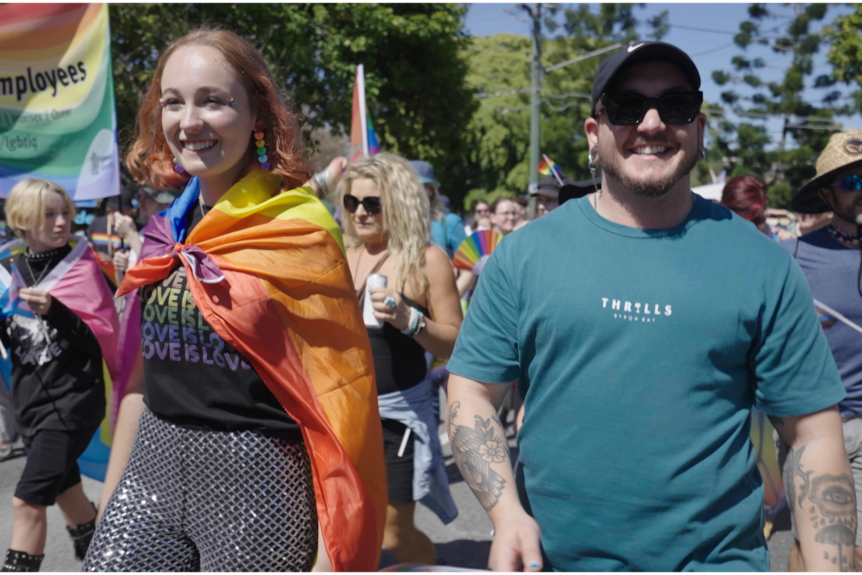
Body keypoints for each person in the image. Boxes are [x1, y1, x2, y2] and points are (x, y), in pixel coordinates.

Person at [445, 41, 851, 573]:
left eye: (676, 105)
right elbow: (471, 393)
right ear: (595, 133)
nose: (653, 123)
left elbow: (813, 437)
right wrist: (507, 514)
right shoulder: (525, 254)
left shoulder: (762, 263)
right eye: (628, 107)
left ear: (699, 128)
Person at [81, 28, 385, 574]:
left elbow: (341, 404)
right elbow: (140, 381)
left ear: (257, 115)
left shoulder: (302, 234)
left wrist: (329, 555)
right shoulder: (162, 236)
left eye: (214, 101)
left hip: (259, 490)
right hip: (149, 473)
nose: (188, 121)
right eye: (173, 101)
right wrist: (113, 493)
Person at [342, 153, 462, 565]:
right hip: (341, 417)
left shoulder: (426, 260)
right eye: (351, 202)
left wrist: (410, 319)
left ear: (398, 202)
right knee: (340, 525)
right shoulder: (339, 252)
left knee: (395, 533)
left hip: (396, 420)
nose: (360, 212)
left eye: (372, 203)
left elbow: (456, 344)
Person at [0, 179, 120, 575]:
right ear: (22, 220)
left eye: (65, 212)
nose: (62, 221)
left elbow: (101, 338)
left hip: (72, 406)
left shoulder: (82, 266)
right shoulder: (11, 269)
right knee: (69, 493)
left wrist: (56, 311)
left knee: (27, 501)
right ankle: (106, 561)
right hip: (31, 405)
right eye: (49, 214)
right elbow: (15, 339)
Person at [781, 129, 862, 573]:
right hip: (807, 424)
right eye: (853, 182)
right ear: (828, 192)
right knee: (811, 546)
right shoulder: (789, 257)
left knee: (852, 554)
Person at [411, 160, 466, 259]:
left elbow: (470, 267)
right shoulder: (395, 224)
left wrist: (447, 274)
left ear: (430, 191)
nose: (410, 193)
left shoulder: (449, 222)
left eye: (417, 188)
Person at [721, 175, 794, 240]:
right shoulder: (716, 240)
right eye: (741, 222)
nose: (750, 228)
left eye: (758, 221)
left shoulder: (778, 241)